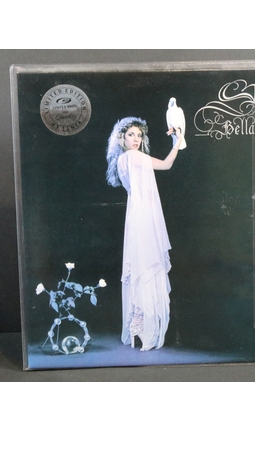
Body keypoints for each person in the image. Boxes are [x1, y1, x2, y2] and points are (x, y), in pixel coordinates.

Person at [106, 116, 184, 351]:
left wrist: (177, 141)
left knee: (140, 266)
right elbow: (167, 165)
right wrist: (178, 140)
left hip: (135, 215)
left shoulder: (122, 160)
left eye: (139, 135)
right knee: (148, 266)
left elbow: (164, 166)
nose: (136, 139)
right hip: (144, 216)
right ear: (121, 138)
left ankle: (138, 329)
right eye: (131, 134)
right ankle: (146, 331)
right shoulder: (133, 157)